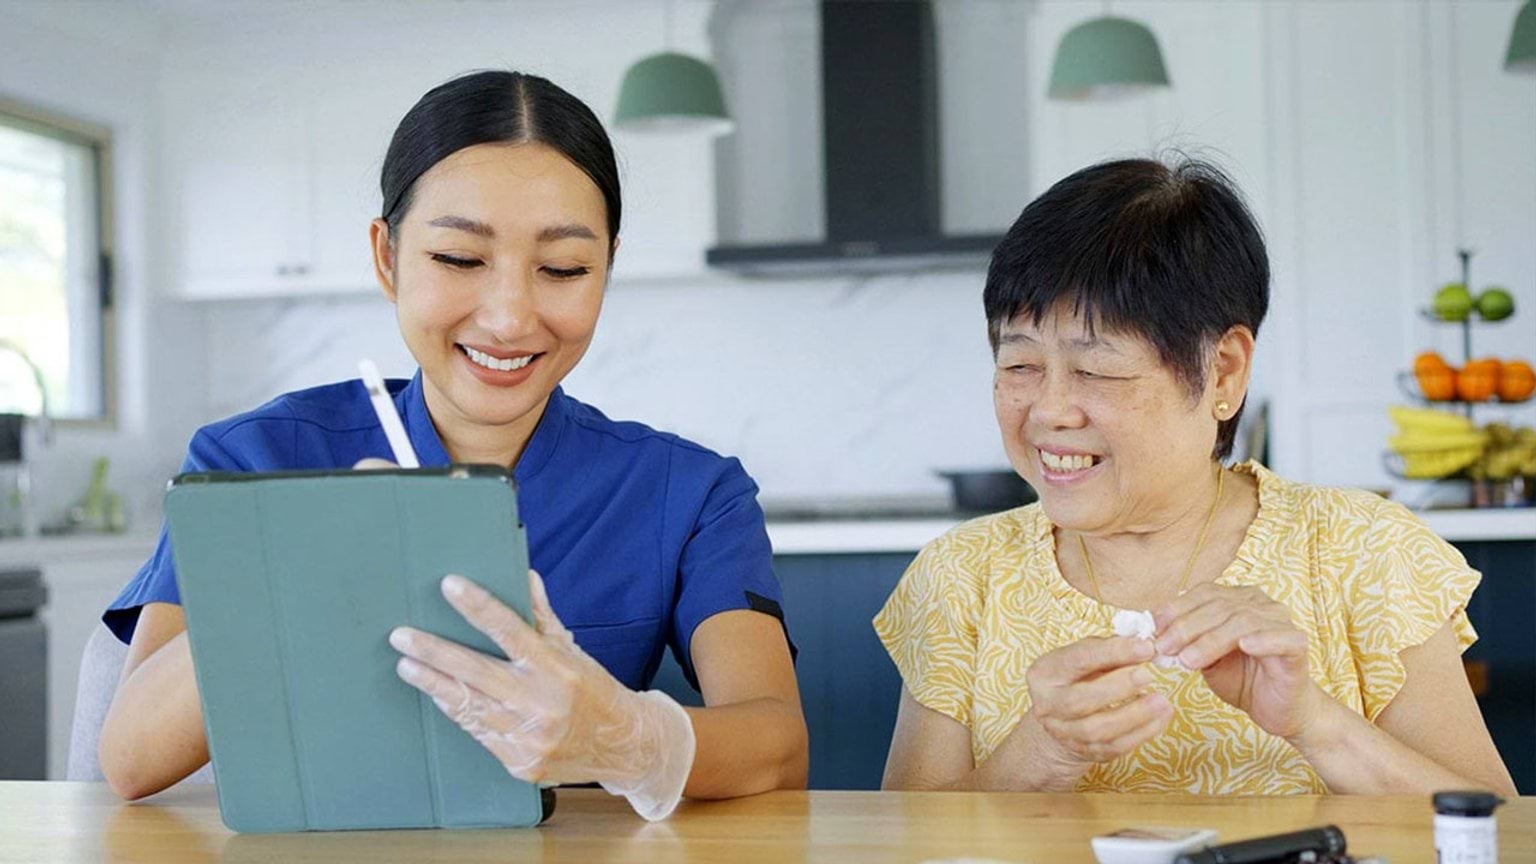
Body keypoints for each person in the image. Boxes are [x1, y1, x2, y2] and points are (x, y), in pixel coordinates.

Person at [99, 70, 807, 818]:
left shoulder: (688, 492)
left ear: (606, 268)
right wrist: (293, 564)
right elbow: (132, 758)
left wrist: (630, 739)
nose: (509, 318)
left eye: (563, 268)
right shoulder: (252, 461)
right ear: (387, 258)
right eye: (459, 259)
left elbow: (780, 748)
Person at [875, 157, 1515, 796]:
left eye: (1097, 370)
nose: (1048, 411)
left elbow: (1499, 836)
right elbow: (903, 849)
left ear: (1224, 371)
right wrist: (1042, 752)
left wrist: (1315, 722)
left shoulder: (1363, 551)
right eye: (1018, 364)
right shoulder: (962, 576)